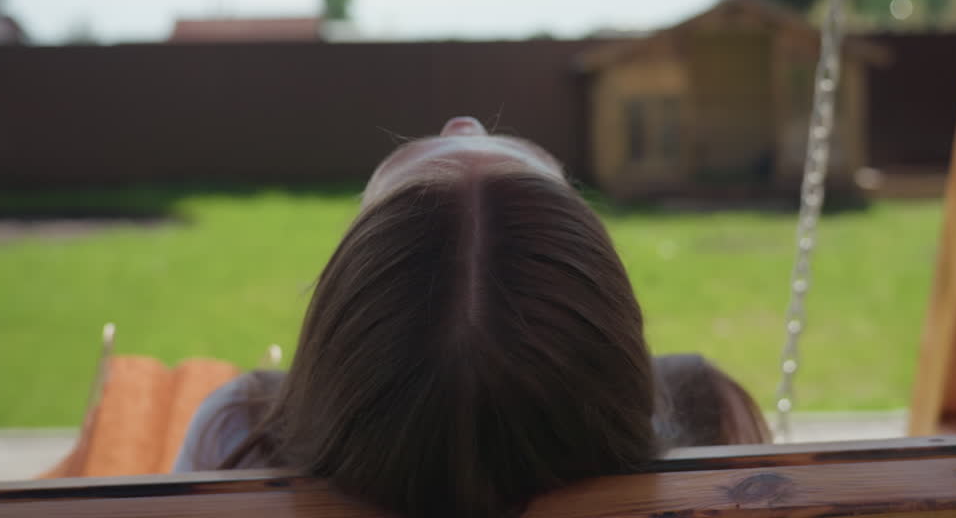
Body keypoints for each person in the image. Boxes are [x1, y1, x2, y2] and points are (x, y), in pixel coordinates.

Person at [174, 116, 769, 518]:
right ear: (604, 319)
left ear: (344, 341)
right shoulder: (707, 415)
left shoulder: (238, 432)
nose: (465, 123)